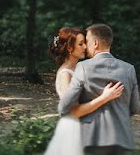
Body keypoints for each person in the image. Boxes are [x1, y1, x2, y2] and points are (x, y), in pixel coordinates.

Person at [57, 23, 140, 155]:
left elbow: (64, 107)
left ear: (95, 43)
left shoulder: (83, 67)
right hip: (122, 140)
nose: (85, 46)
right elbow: (135, 107)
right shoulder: (129, 69)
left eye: (87, 41)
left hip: (92, 140)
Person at [44, 27, 125, 155]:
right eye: (80, 44)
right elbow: (74, 112)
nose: (86, 47)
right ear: (70, 48)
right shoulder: (66, 74)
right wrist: (105, 97)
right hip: (73, 130)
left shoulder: (79, 68)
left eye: (85, 43)